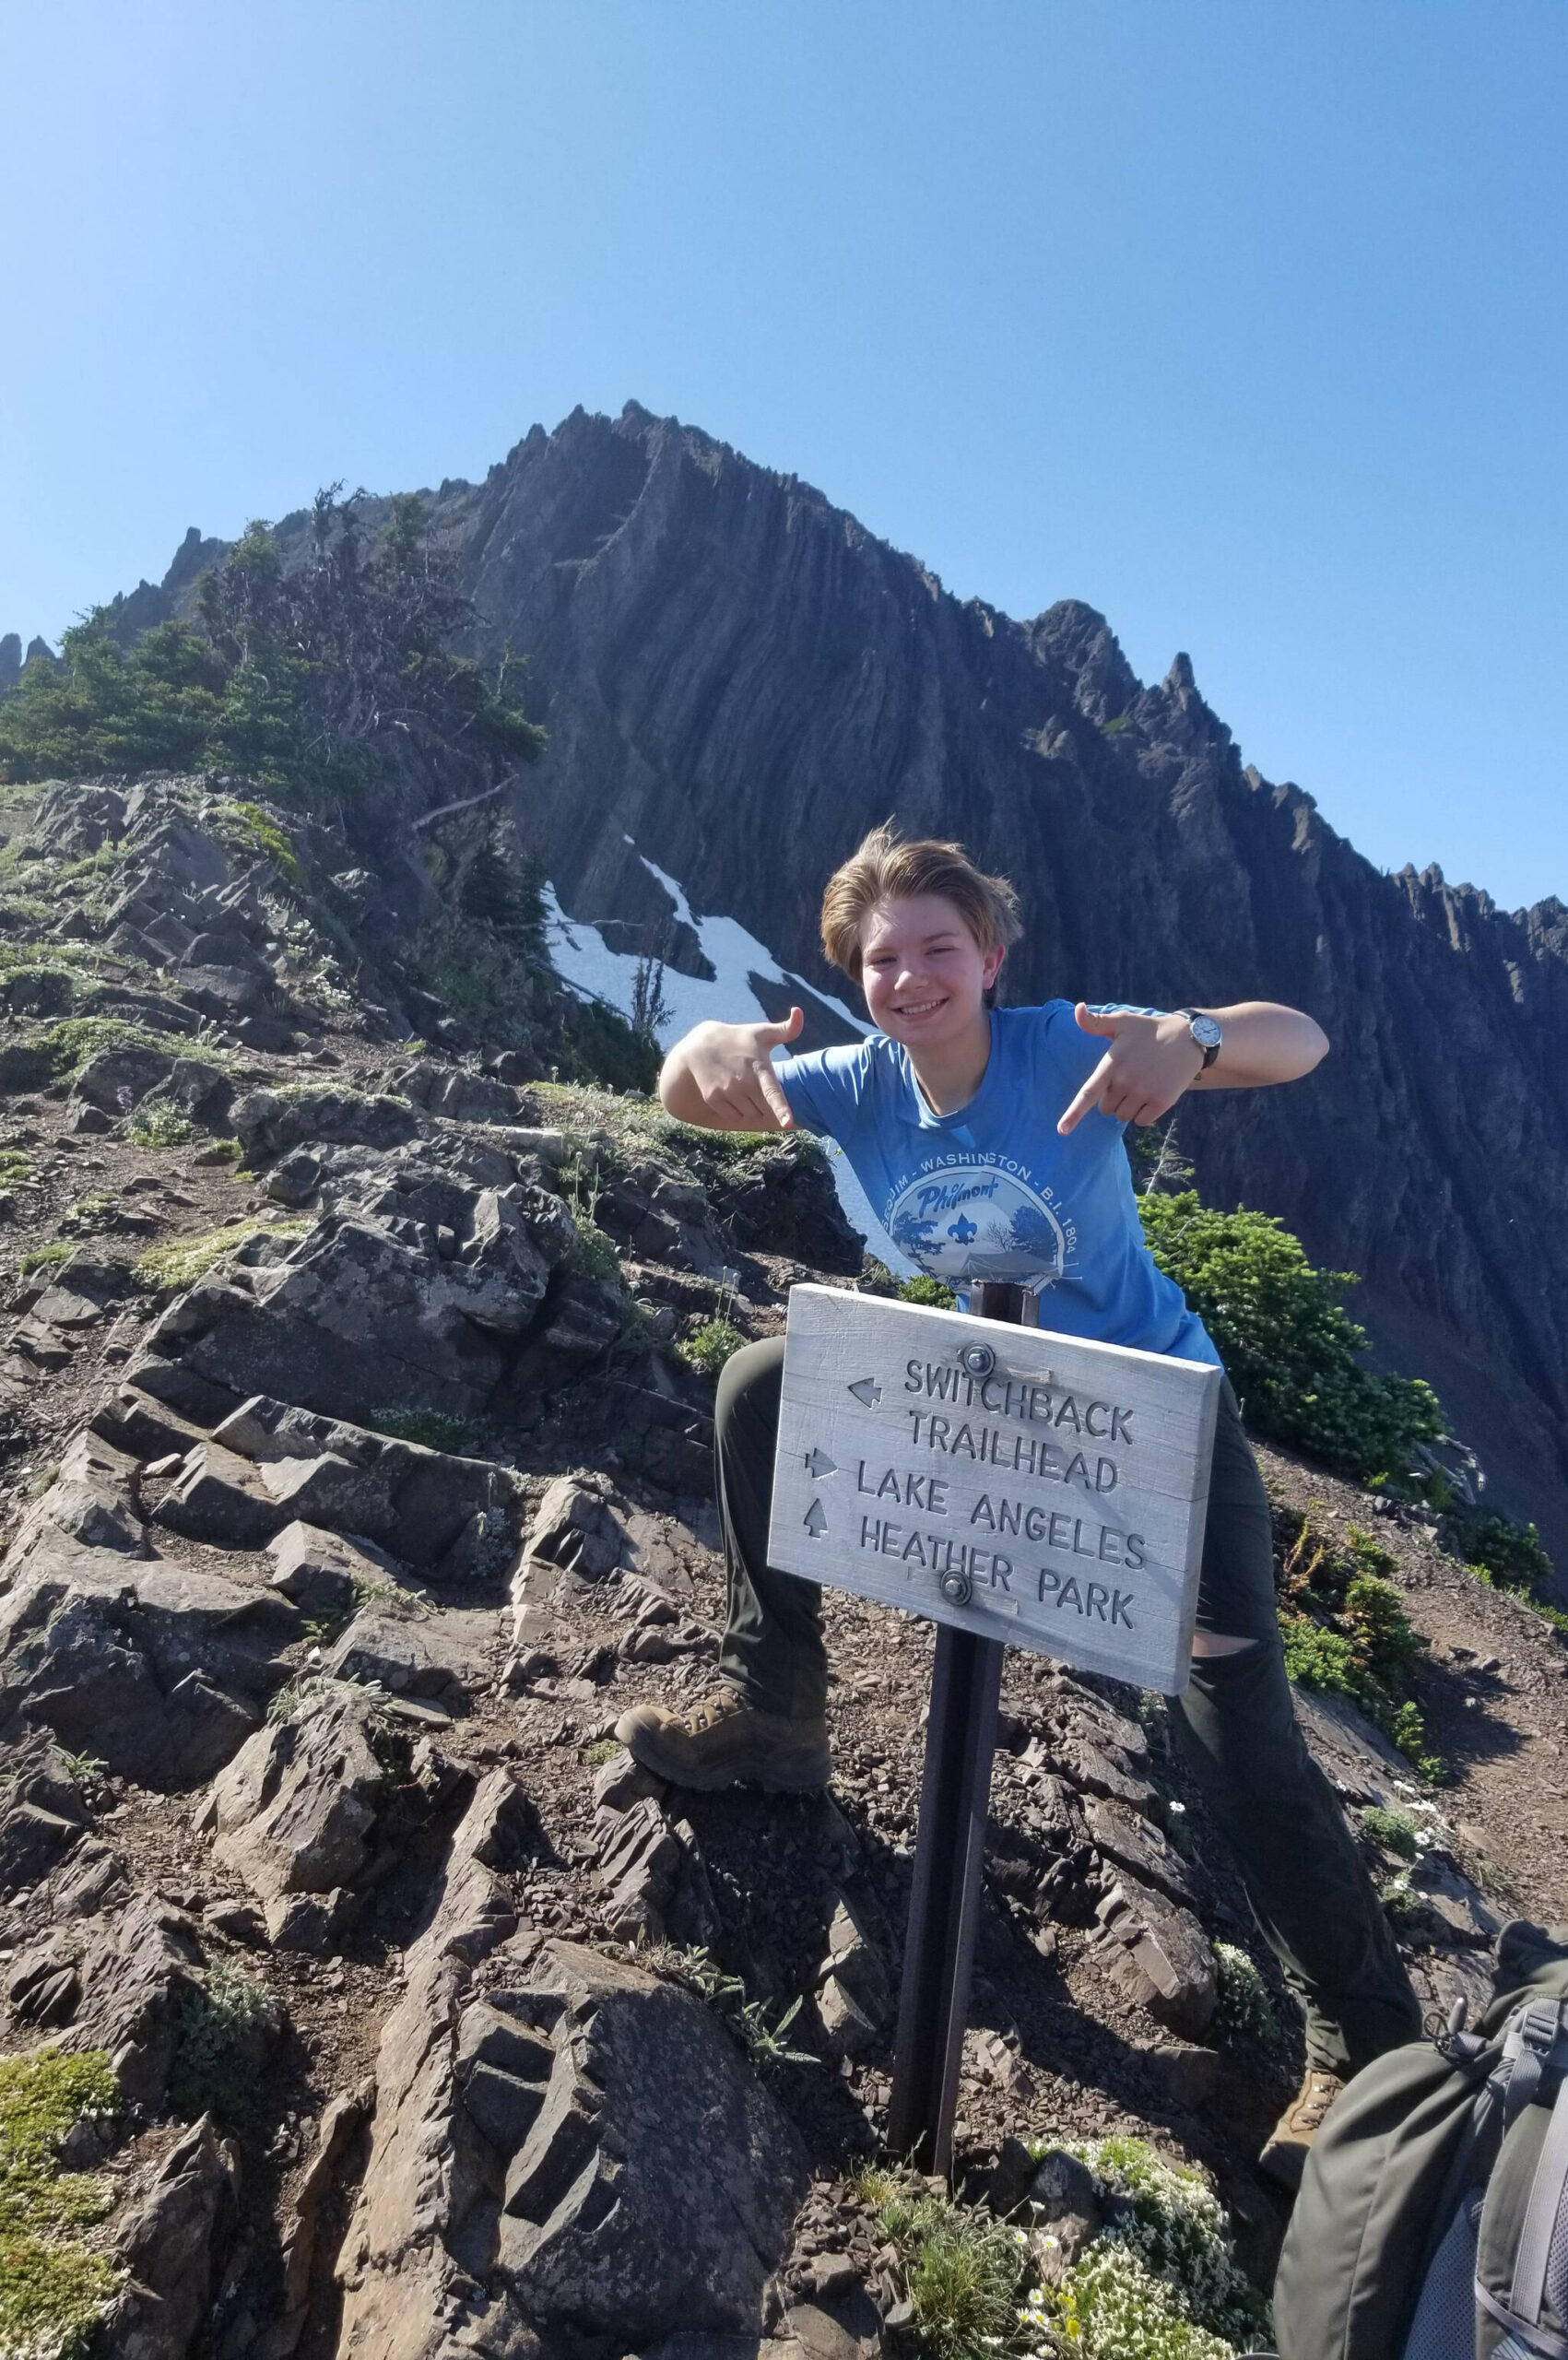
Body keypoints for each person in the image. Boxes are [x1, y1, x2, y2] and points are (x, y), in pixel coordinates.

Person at [616, 822, 1420, 2188]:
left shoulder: (1060, 1046)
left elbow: (1298, 1038)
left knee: (1232, 1717)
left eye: (938, 948)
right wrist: (710, 1055)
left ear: (988, 958)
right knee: (760, 1386)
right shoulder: (860, 1081)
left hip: (1152, 1406)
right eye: (883, 957)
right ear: (855, 977)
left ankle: (1366, 2043)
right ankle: (777, 1709)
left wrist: (1192, 1043)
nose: (910, 975)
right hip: (984, 1390)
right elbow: (685, 1088)